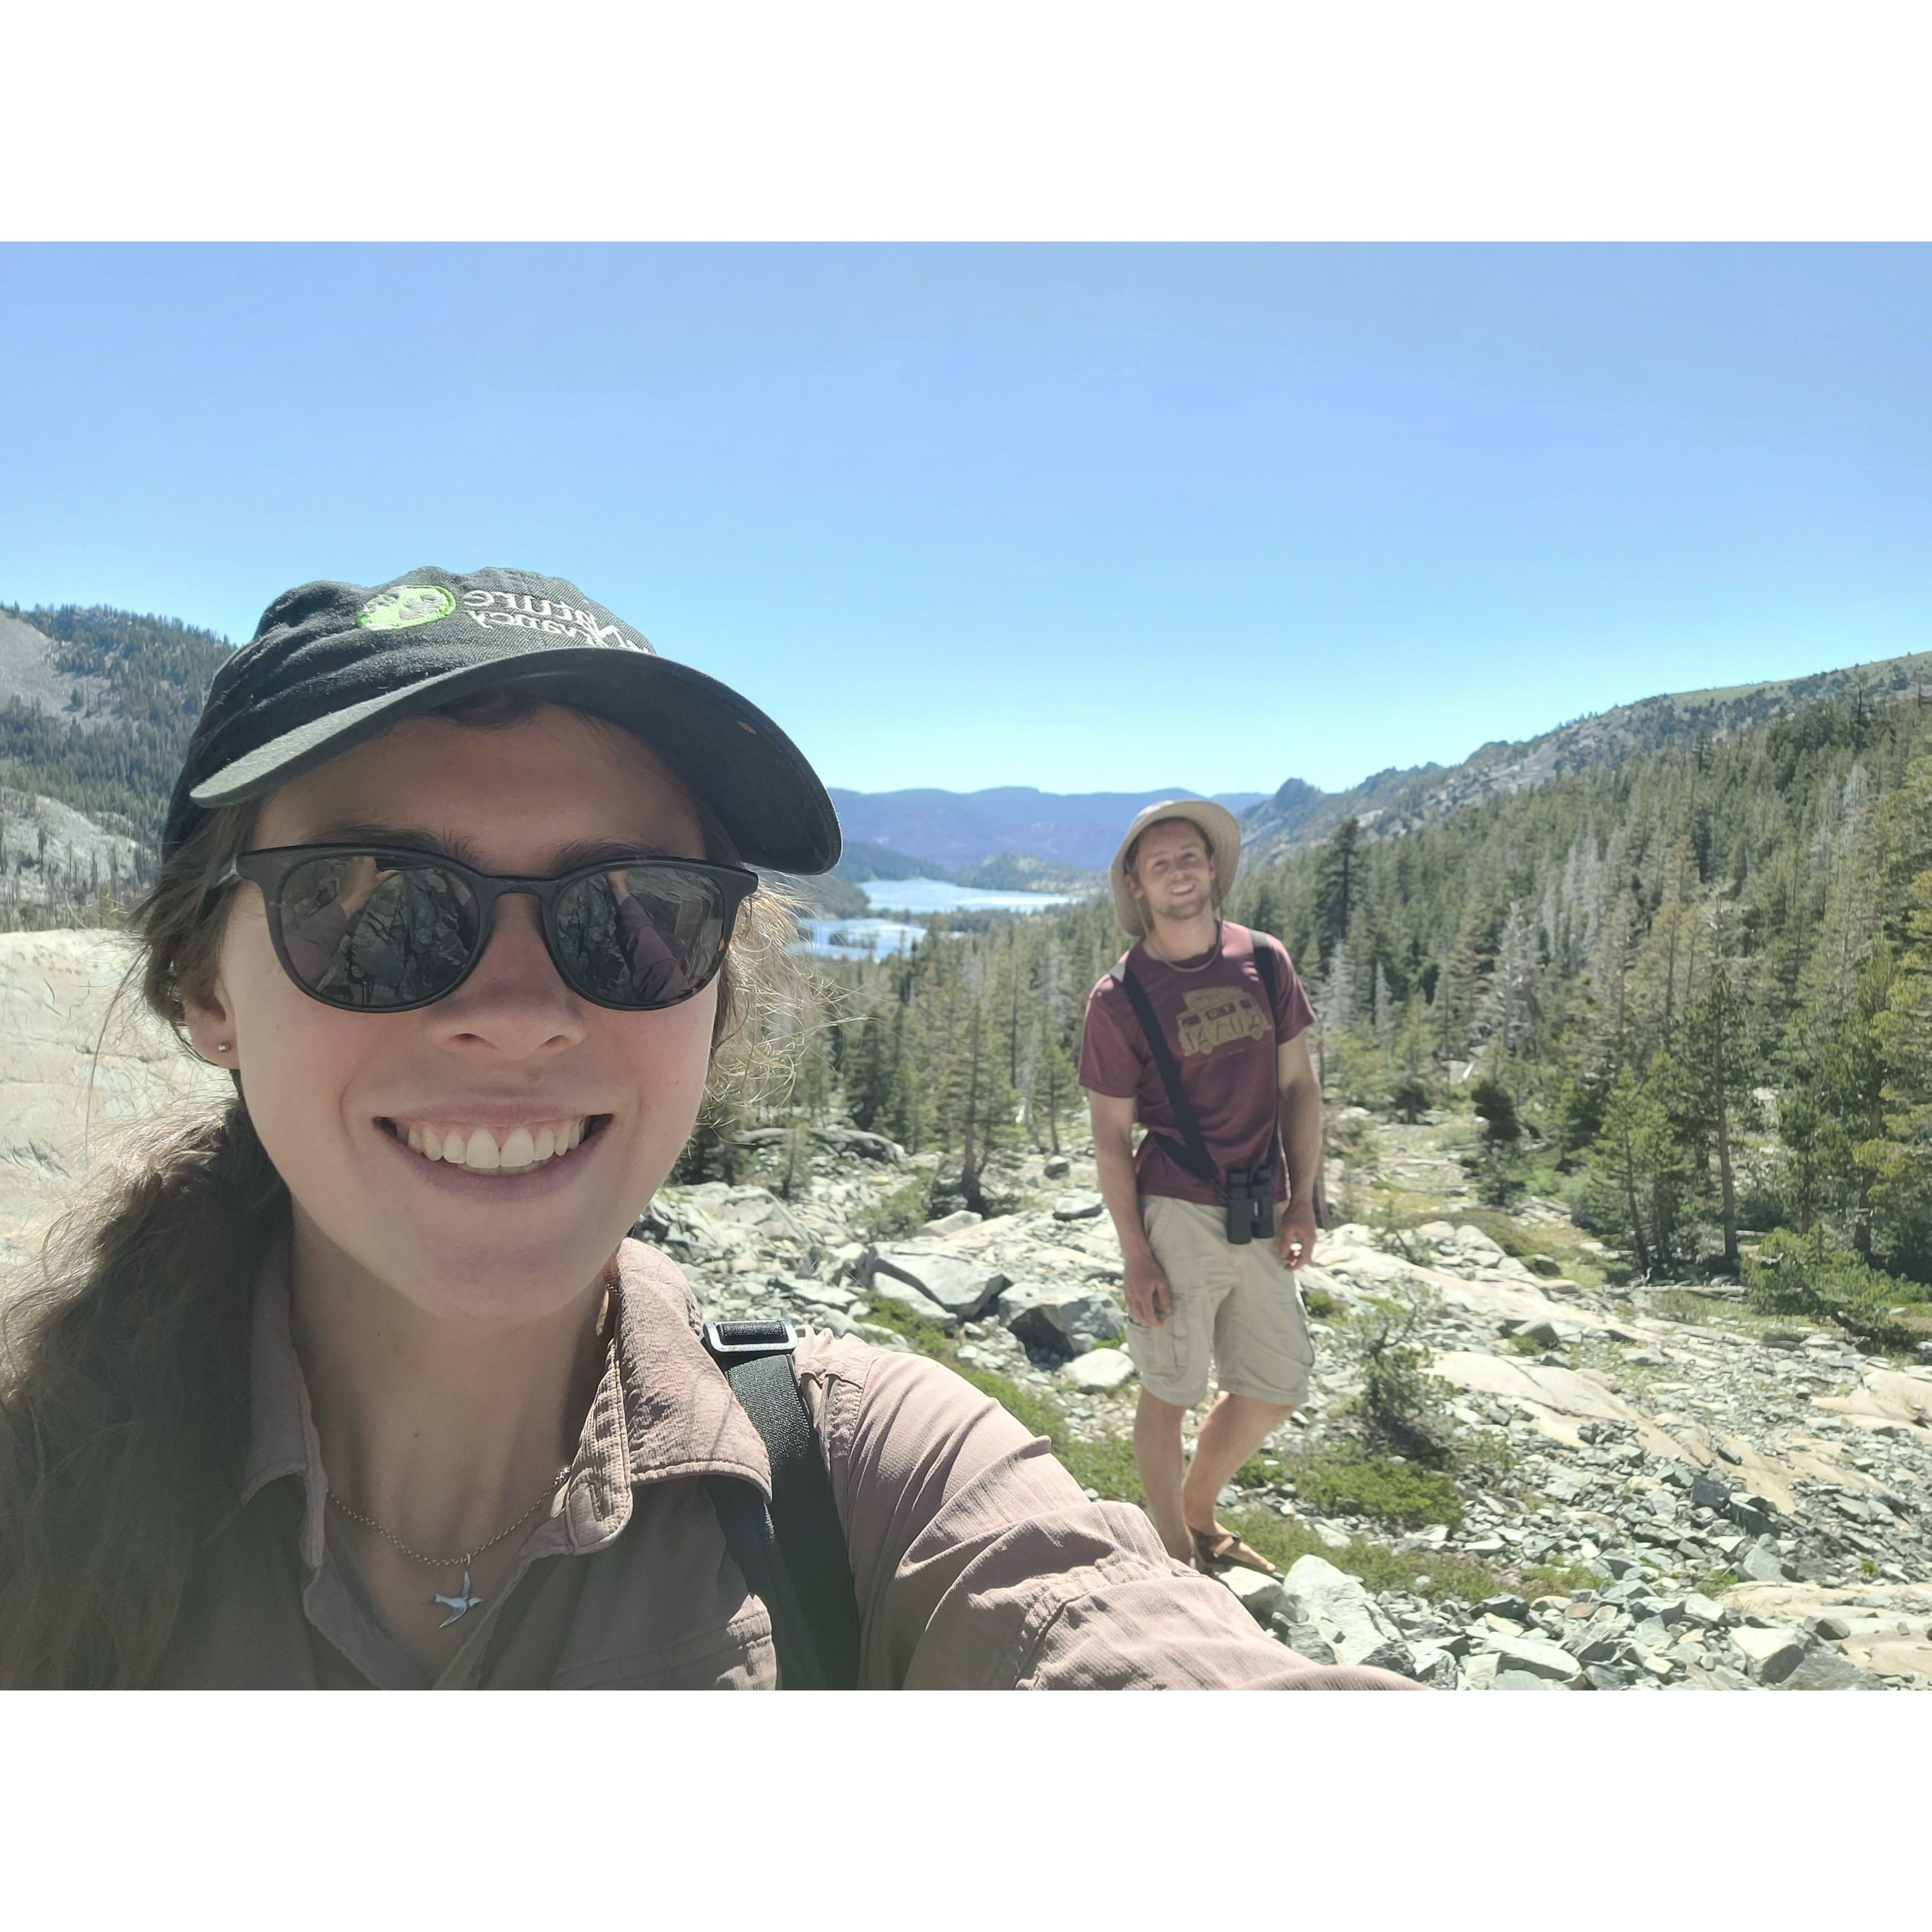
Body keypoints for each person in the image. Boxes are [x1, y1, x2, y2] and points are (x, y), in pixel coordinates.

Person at [0, 568, 1415, 1691]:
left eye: (636, 917)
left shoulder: (868, 1484)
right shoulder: (37, 1478)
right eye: (371, 906)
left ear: (713, 1000)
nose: (519, 1015)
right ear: (207, 989)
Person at [1079, 802, 1324, 1576]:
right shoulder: (1120, 998)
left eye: (1190, 856)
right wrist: (1135, 1252)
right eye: (1160, 864)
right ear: (1137, 886)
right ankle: (1178, 1558)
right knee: (1170, 1389)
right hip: (1176, 1206)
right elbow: (1111, 1136)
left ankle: (1196, 1508)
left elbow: (1299, 1086)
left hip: (1261, 1204)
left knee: (1277, 1385)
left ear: (1214, 867)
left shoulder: (1266, 961)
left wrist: (1303, 1199)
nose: (1179, 872)